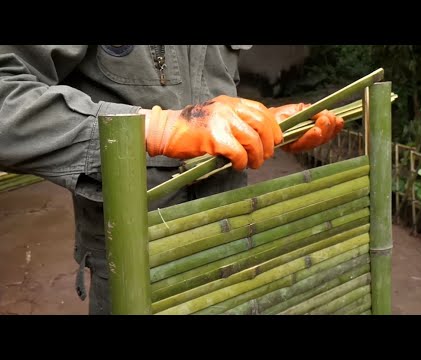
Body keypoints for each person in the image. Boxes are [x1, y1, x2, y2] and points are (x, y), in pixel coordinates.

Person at [0, 45, 343, 315]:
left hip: (229, 237)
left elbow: (213, 97)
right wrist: (156, 130)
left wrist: (265, 124)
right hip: (136, 256)